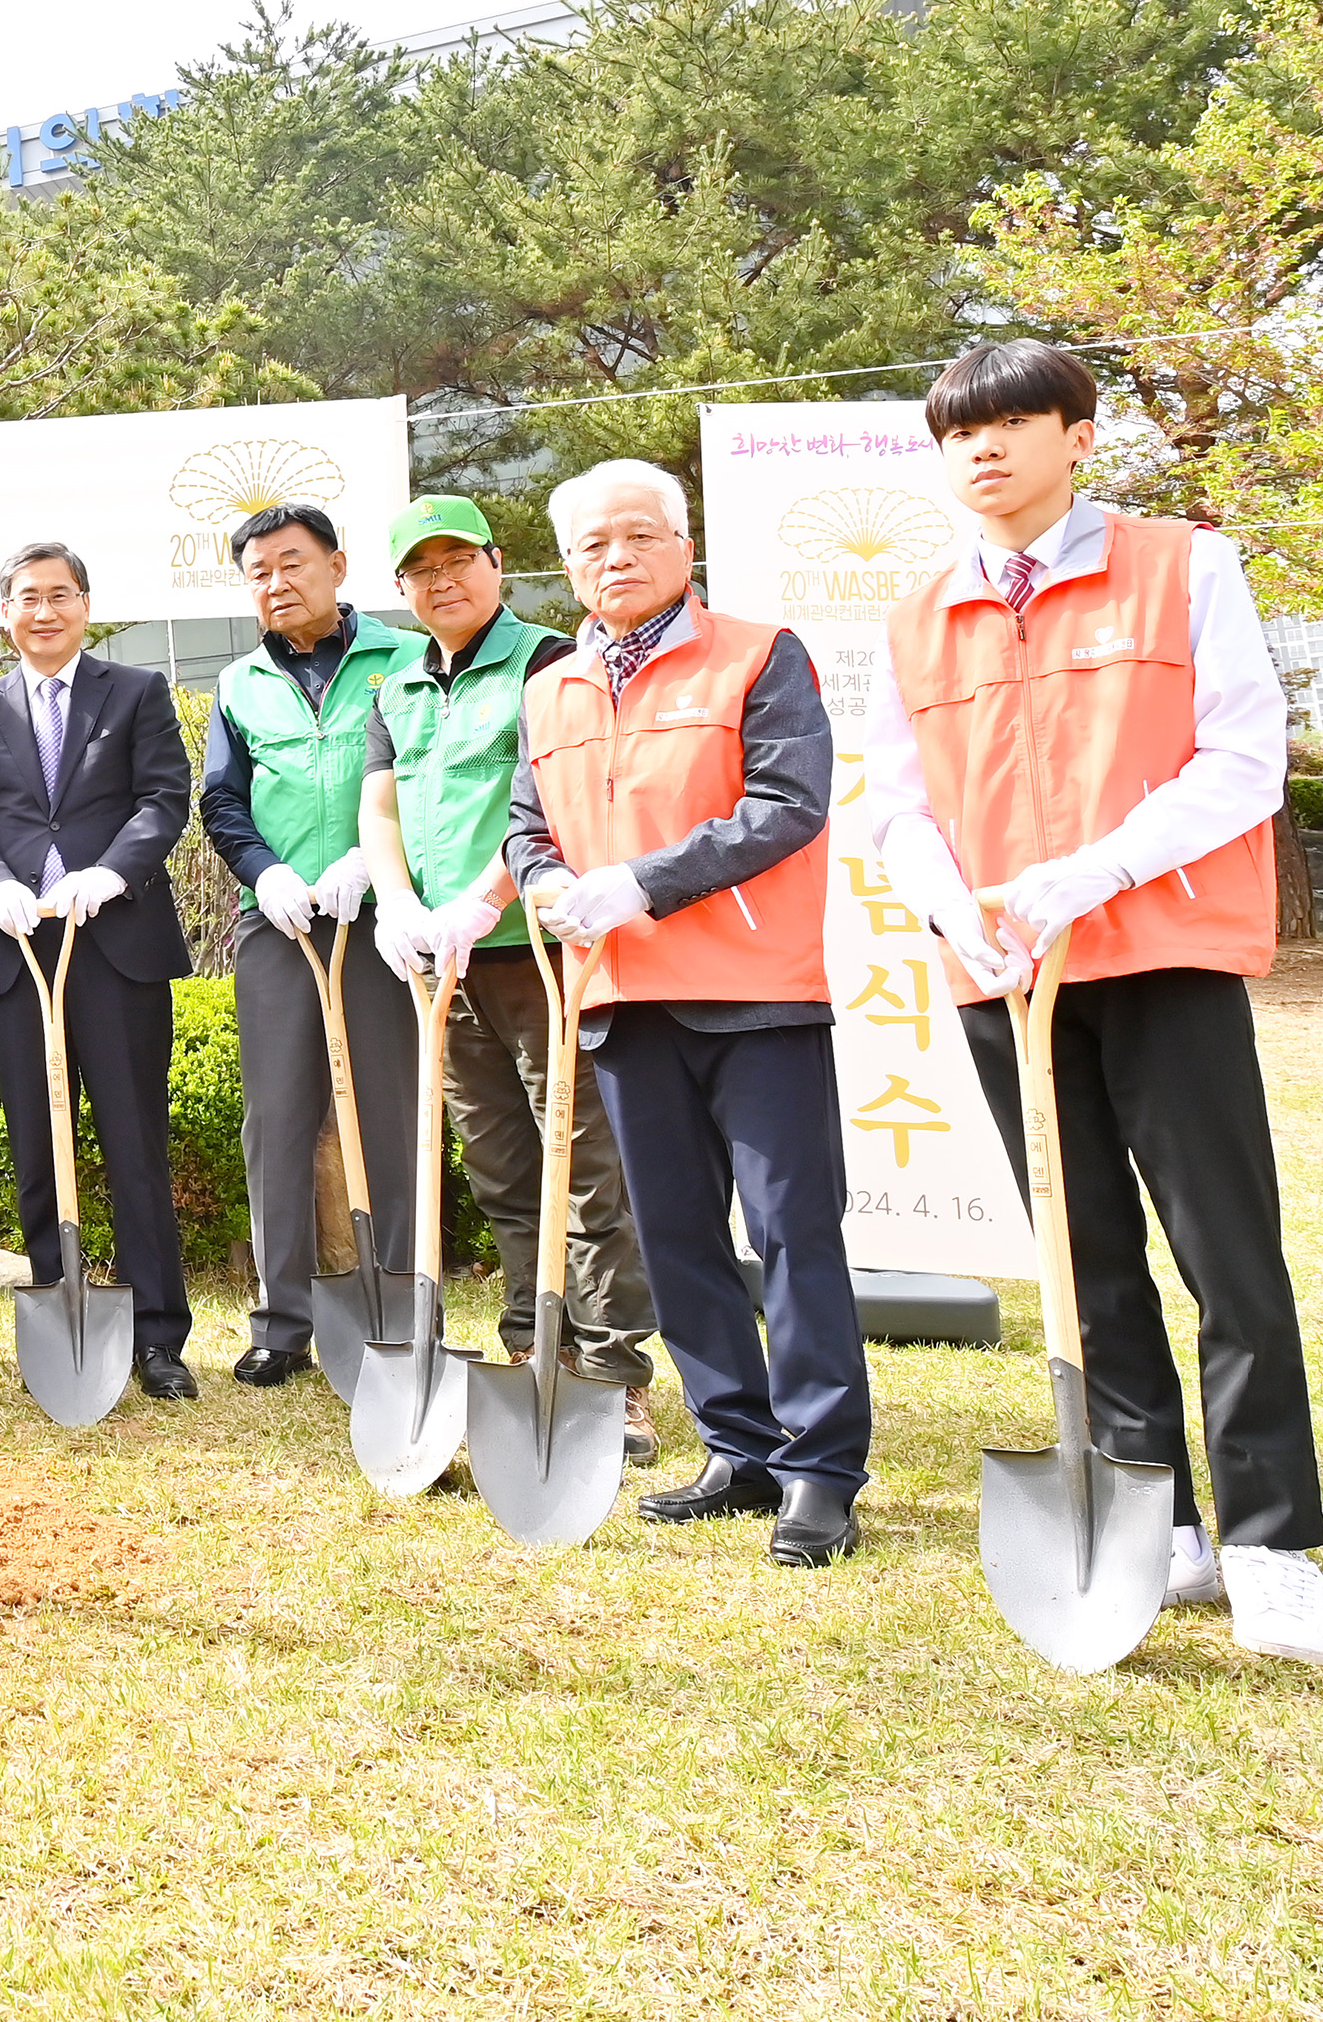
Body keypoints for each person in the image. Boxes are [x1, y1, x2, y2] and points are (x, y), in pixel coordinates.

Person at [854, 339, 1323, 1661]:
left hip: (1159, 952)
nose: (986, 447)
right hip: (1003, 973)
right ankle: (1158, 1520)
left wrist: (1090, 872)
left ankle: (1272, 1538)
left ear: (1077, 434)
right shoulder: (920, 612)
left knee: (1225, 1253)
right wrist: (956, 906)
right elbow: (894, 801)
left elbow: (1244, 758)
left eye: (1014, 421)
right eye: (960, 431)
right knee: (1086, 1260)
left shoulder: (1181, 565)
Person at [507, 457, 871, 1569]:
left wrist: (643, 882)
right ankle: (738, 1444)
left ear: (683, 545)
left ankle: (819, 1471)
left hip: (752, 994)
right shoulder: (551, 687)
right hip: (620, 994)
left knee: (790, 1231)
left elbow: (787, 804)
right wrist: (541, 884)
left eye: (637, 537)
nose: (614, 560)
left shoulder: (759, 654)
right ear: (568, 565)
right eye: (590, 547)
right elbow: (528, 826)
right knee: (672, 1240)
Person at [356, 493, 659, 1460]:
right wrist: (397, 903)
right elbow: (383, 806)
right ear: (401, 589)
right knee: (499, 1165)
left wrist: (486, 897)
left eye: (458, 561)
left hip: (533, 944)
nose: (441, 581)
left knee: (585, 1158)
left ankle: (610, 1372)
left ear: (497, 563)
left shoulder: (545, 662)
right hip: (439, 964)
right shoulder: (396, 682)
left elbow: (553, 800)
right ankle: (532, 1343)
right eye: (420, 570)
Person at [0, 540, 200, 1399]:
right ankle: (63, 1314)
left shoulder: (135, 692)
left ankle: (158, 1334)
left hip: (115, 941)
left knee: (133, 1140)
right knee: (36, 1145)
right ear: (4, 611)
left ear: (85, 604)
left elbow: (164, 796)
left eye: (60, 594)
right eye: (27, 597)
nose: (44, 611)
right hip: (19, 949)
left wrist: (111, 870)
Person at [196, 502, 420, 1391]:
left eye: (292, 563)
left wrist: (374, 861)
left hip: (383, 915)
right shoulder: (239, 680)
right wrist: (266, 875)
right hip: (280, 922)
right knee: (277, 1120)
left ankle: (398, 1306)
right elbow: (221, 802)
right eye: (259, 571)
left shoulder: (402, 660)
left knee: (390, 1113)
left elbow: (423, 777)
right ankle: (282, 1320)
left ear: (336, 564)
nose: (277, 582)